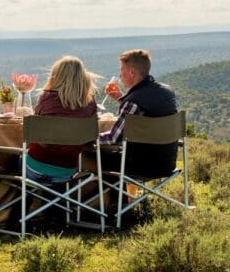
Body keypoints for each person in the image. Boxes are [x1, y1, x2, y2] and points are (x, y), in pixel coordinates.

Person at [99, 48, 178, 177]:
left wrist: (85, 138)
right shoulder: (167, 92)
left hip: (139, 166)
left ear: (131, 72)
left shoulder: (133, 102)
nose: (120, 75)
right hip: (167, 165)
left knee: (93, 156)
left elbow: (113, 138)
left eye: (121, 70)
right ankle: (123, 197)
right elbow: (145, 110)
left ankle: (112, 197)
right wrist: (122, 98)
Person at [24, 55, 97, 180]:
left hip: (36, 166)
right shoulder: (90, 104)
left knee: (12, 160)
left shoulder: (46, 99)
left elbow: (36, 130)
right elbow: (89, 140)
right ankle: (56, 198)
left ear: (56, 77)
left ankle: (27, 197)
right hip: (67, 170)